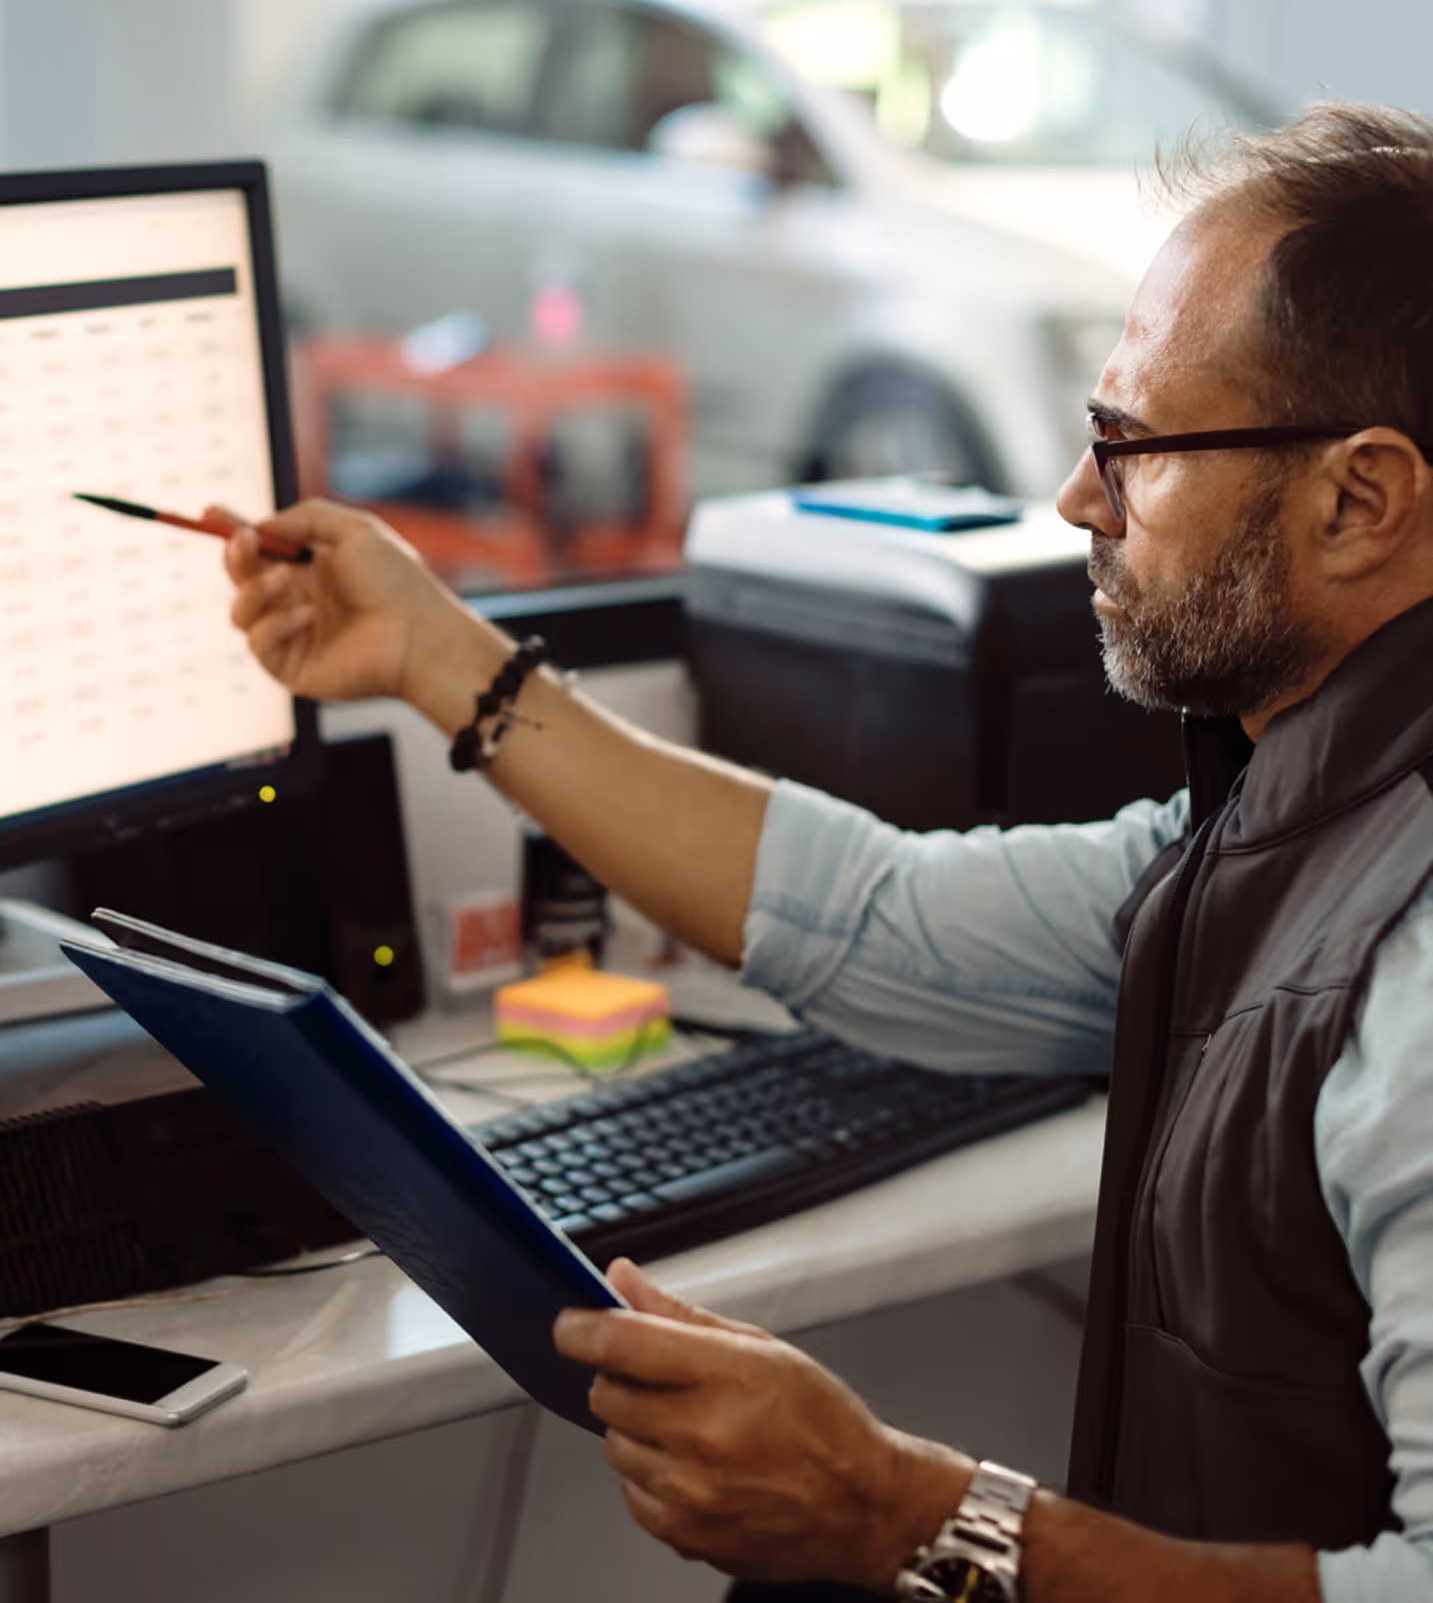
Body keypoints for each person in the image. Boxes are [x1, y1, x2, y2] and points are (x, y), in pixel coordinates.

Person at [223, 101, 1433, 1600]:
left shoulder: (1415, 966)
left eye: (1130, 448)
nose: (1074, 502)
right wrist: (439, 657)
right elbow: (880, 916)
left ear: (1360, 499)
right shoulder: (1285, 816)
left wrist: (909, 1513)